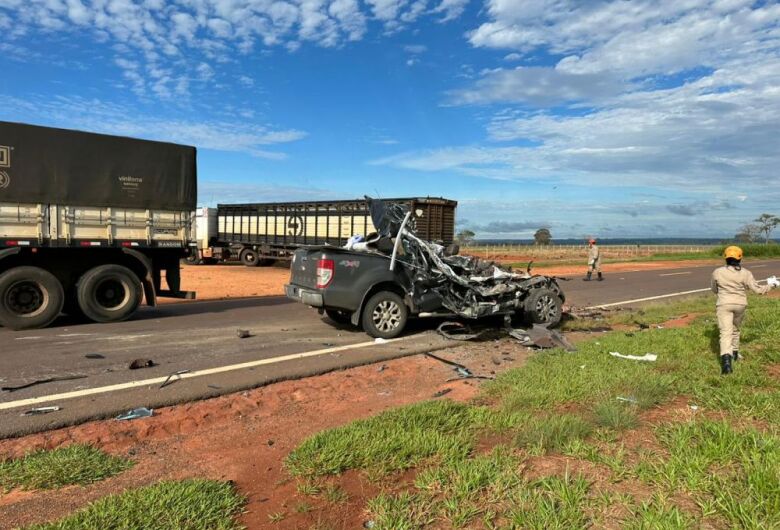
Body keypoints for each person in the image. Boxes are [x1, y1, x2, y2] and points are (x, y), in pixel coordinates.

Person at [710, 246, 779, 375]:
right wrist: (772, 285)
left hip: (724, 304)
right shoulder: (745, 273)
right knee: (736, 329)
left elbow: (714, 289)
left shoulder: (717, 272)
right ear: (740, 258)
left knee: (725, 333)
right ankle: (735, 353)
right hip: (740, 304)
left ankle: (726, 363)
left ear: (725, 257)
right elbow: (758, 290)